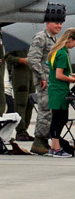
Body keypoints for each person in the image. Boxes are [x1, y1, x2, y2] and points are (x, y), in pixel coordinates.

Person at [22, 16, 63, 154]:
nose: (60, 26)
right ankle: (39, 142)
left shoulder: (54, 39)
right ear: (48, 23)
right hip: (44, 81)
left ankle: (48, 141)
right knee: (46, 110)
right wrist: (41, 77)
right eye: (57, 23)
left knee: (51, 111)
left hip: (52, 81)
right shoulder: (41, 37)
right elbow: (33, 59)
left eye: (61, 23)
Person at [44, 28, 75, 157]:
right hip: (59, 90)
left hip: (55, 90)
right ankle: (56, 147)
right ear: (70, 40)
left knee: (58, 118)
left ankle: (53, 147)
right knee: (60, 119)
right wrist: (72, 79)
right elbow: (59, 75)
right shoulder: (62, 54)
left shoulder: (57, 52)